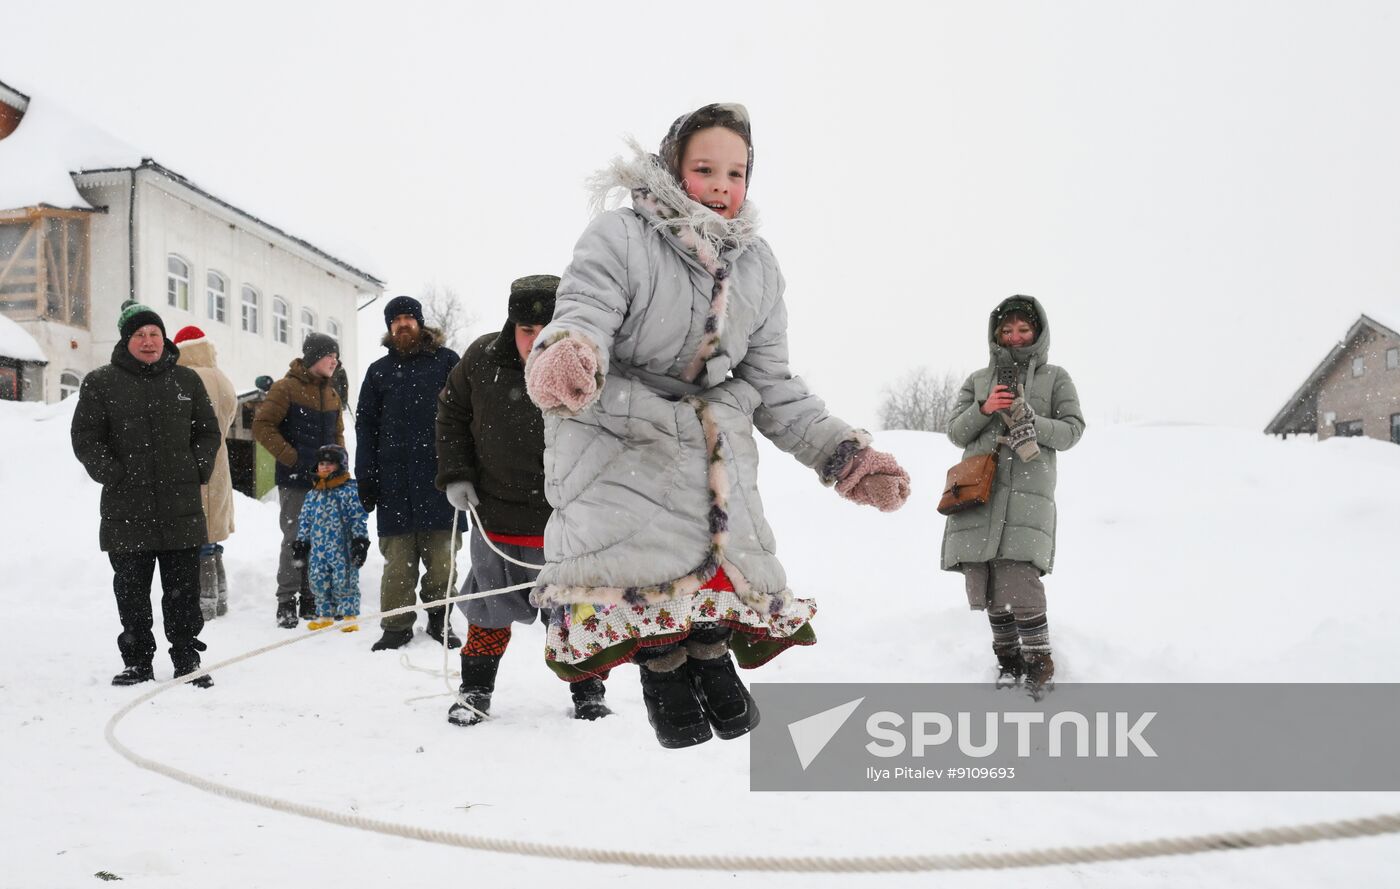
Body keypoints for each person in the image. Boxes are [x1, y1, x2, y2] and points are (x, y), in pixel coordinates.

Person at [524, 103, 911, 749]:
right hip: (620, 434)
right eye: (705, 169)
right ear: (672, 167)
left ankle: (709, 649)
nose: (721, 186)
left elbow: (772, 383)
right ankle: (662, 666)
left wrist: (843, 453)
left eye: (736, 173)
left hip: (710, 445)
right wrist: (571, 351)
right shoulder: (622, 236)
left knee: (716, 571)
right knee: (645, 575)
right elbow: (585, 306)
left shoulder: (757, 266)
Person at [436, 275, 611, 726]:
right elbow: (451, 414)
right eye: (525, 330)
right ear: (511, 326)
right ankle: (475, 690)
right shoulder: (481, 360)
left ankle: (589, 691)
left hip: (565, 523)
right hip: (496, 516)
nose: (534, 341)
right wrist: (456, 474)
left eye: (545, 330)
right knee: (487, 611)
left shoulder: (588, 363)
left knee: (575, 613)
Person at [71, 300, 222, 687]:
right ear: (126, 340)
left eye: (155, 333)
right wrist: (113, 474)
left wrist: (195, 468)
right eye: (139, 334)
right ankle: (137, 661)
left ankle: (187, 658)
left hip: (180, 507)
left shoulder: (187, 381)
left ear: (164, 339)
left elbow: (208, 432)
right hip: (126, 508)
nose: (149, 340)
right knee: (131, 591)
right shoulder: (101, 382)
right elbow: (86, 438)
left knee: (182, 591)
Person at [941, 296, 1085, 700]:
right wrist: (985, 408)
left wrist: (1033, 421)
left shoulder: (1056, 378)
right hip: (980, 492)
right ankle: (1008, 662)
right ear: (996, 334)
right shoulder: (978, 379)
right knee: (988, 583)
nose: (1015, 337)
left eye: (1023, 329)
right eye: (1007, 330)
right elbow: (955, 432)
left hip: (1027, 494)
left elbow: (1073, 430)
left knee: (1020, 580)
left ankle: (1039, 664)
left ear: (1037, 332)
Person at [356, 295, 463, 651]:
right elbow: (365, 427)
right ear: (389, 328)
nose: (402, 324)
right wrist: (366, 476)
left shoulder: (447, 362)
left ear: (419, 322)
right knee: (398, 565)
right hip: (394, 485)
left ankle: (439, 619)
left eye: (408, 318)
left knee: (443, 562)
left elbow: (466, 417)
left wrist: (465, 469)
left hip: (440, 482)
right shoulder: (378, 372)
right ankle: (396, 626)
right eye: (396, 320)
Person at [252, 332, 344, 628]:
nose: (334, 361)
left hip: (325, 482)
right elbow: (262, 426)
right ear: (315, 357)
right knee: (295, 539)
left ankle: (310, 597)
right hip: (295, 480)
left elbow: (338, 436)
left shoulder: (332, 394)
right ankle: (286, 601)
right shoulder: (286, 388)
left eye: (336, 357)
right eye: (330, 356)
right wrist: (293, 458)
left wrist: (340, 467)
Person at [173, 325, 238, 620]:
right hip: (219, 462)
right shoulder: (222, 378)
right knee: (212, 537)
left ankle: (205, 603)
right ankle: (220, 597)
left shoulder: (185, 379)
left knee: (197, 539)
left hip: (193, 463)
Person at [292, 445, 369, 631]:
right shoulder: (313, 495)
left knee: (345, 582)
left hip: (343, 549)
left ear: (341, 466)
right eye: (321, 463)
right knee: (318, 581)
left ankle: (349, 616)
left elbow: (358, 518)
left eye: (330, 463)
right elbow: (305, 521)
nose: (325, 467)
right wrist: (301, 543)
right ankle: (325, 615)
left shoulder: (349, 491)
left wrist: (360, 541)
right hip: (318, 550)